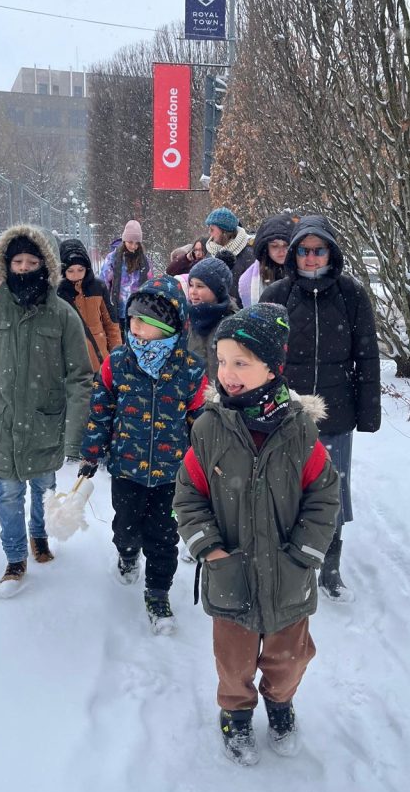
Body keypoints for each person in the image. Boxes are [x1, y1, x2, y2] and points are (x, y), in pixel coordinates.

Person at [174, 303, 340, 764]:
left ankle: (281, 703)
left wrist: (304, 555)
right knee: (233, 663)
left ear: (272, 368)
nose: (227, 373)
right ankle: (236, 713)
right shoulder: (209, 429)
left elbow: (325, 495)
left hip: (289, 572)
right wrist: (210, 550)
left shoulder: (299, 431)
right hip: (230, 573)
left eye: (241, 363)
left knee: (290, 659)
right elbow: (188, 496)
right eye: (221, 361)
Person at [0, 224, 93, 597]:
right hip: (3, 424)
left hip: (45, 422)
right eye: (18, 262)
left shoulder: (62, 314)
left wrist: (75, 435)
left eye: (32, 261)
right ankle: (14, 559)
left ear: (45, 265)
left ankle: (39, 535)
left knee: (44, 486)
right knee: (8, 493)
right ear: (6, 264)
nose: (25, 268)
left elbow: (80, 377)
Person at [261, 214, 381, 601]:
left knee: (331, 491)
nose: (311, 258)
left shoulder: (351, 294)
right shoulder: (276, 295)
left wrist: (368, 411)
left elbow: (367, 355)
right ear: (293, 254)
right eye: (304, 251)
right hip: (285, 413)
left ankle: (330, 566)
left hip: (336, 412)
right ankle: (288, 561)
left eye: (319, 250)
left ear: (331, 252)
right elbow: (259, 357)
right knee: (283, 489)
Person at [78, 275, 207, 634]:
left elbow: (200, 422)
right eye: (133, 318)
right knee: (126, 527)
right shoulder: (118, 362)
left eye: (144, 322)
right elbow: (101, 410)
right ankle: (127, 552)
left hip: (172, 474)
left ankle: (158, 593)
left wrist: (204, 466)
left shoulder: (191, 370)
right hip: (127, 468)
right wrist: (91, 453)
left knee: (164, 536)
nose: (135, 327)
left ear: (168, 327)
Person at [57, 238, 121, 371]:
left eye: (80, 269)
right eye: (70, 271)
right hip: (71, 366)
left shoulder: (98, 287)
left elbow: (111, 325)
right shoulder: (57, 292)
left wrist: (116, 358)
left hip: (99, 362)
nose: (76, 275)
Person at [187, 252, 238, 382]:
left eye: (200, 286)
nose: (193, 291)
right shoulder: (186, 318)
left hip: (222, 389)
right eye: (191, 285)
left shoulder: (233, 323)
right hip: (192, 390)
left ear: (218, 290)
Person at [99, 220, 153, 328]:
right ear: (124, 240)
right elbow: (104, 283)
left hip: (138, 311)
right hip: (117, 309)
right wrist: (104, 306)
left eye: (137, 243)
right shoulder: (112, 258)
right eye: (130, 242)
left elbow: (150, 285)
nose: (133, 246)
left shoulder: (145, 261)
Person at [239, 213, 294, 308]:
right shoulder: (247, 281)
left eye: (286, 245)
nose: (281, 251)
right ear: (266, 248)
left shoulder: (306, 270)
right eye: (274, 246)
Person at [204, 207, 255, 306]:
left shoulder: (248, 254)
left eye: (212, 229)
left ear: (224, 231)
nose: (209, 232)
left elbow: (253, 288)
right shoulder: (210, 253)